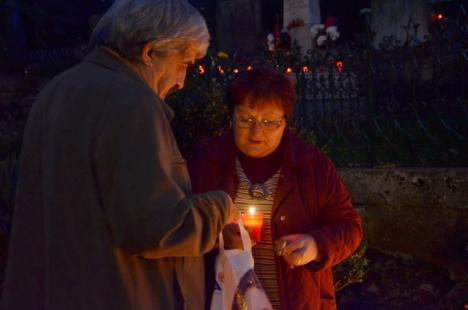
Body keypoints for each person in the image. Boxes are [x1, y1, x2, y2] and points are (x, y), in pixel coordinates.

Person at [1, 1, 236, 309]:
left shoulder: (57, 90)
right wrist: (220, 208)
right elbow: (154, 227)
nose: (182, 81)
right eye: (185, 63)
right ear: (150, 53)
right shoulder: (133, 102)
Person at [188, 67, 363, 310]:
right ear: (231, 117)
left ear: (285, 122)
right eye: (246, 119)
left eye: (269, 122)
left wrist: (315, 245)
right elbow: (184, 223)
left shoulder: (311, 166)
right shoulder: (207, 160)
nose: (257, 132)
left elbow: (350, 227)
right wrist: (218, 236)